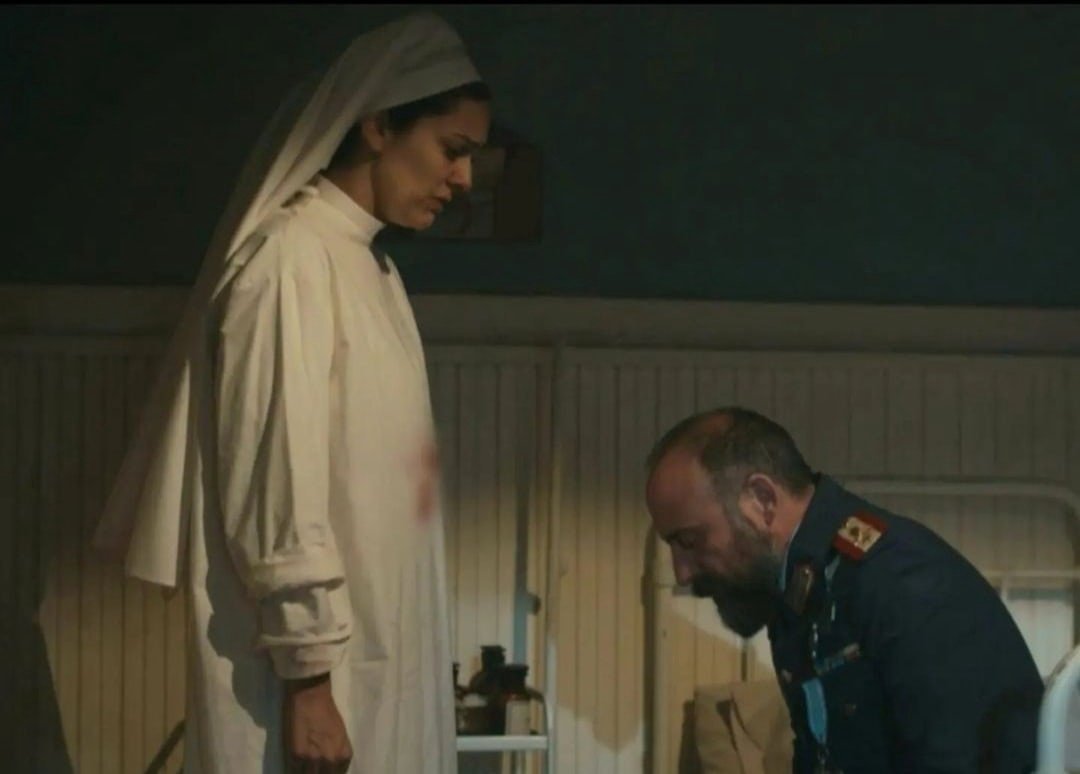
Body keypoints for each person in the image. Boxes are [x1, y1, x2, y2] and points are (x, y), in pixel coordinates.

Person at [92, 12, 490, 773]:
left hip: (374, 658)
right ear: (379, 126)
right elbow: (276, 487)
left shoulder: (369, 267)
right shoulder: (290, 261)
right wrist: (309, 680)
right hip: (310, 686)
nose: (464, 179)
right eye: (453, 150)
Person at [644, 407, 1045, 773]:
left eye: (690, 541)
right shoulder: (800, 586)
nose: (681, 572)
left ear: (762, 500)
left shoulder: (899, 580)